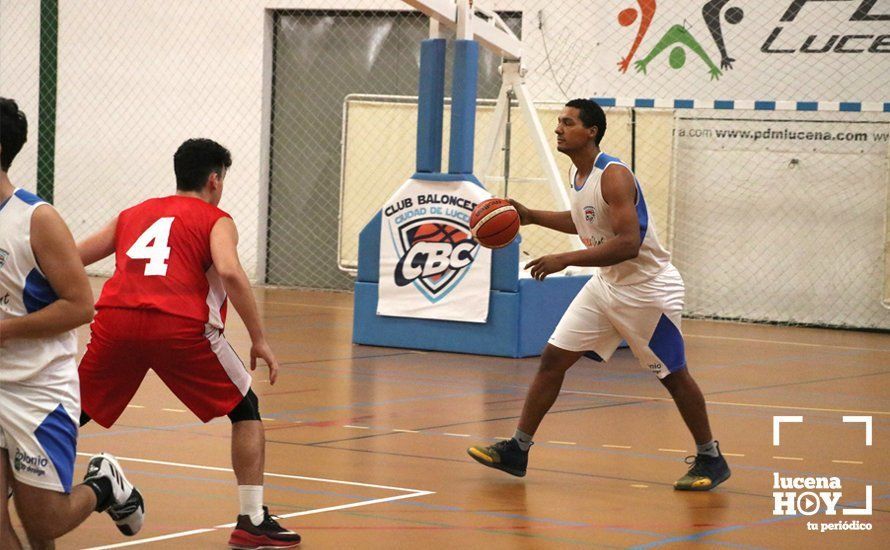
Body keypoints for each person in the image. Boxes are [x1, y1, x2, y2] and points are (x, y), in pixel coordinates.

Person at [467, 98, 731, 491]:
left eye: (568, 122)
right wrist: (531, 215)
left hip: (647, 292)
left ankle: (711, 456)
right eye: (558, 122)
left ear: (591, 131)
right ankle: (517, 449)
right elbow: (583, 221)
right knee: (553, 359)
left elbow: (628, 244)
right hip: (608, 285)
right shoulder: (579, 175)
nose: (558, 128)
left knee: (674, 377)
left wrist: (563, 259)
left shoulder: (613, 175)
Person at [76, 138, 301, 549]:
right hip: (179, 327)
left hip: (116, 320)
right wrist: (259, 338)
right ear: (214, 179)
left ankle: (14, 471)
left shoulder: (133, 214)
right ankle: (252, 520)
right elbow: (231, 272)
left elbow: (70, 257)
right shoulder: (216, 219)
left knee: (76, 411)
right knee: (245, 407)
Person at [0, 97, 144, 549]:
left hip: (38, 390)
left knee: (44, 524)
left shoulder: (35, 220)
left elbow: (81, 304)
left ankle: (104, 485)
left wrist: (2, 332)